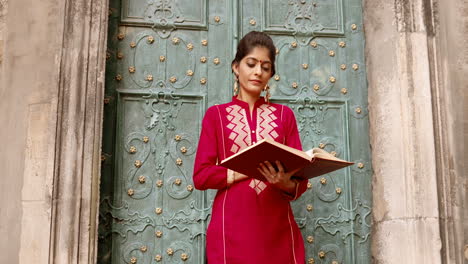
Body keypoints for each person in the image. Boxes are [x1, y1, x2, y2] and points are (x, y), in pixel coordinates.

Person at [193, 31, 308, 264]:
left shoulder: (284, 115)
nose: (258, 72)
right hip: (231, 228)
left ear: (271, 74)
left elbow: (301, 177)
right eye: (251, 64)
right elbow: (201, 176)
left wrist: (283, 183)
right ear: (236, 67)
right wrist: (242, 170)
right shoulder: (216, 116)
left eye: (266, 67)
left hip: (277, 227)